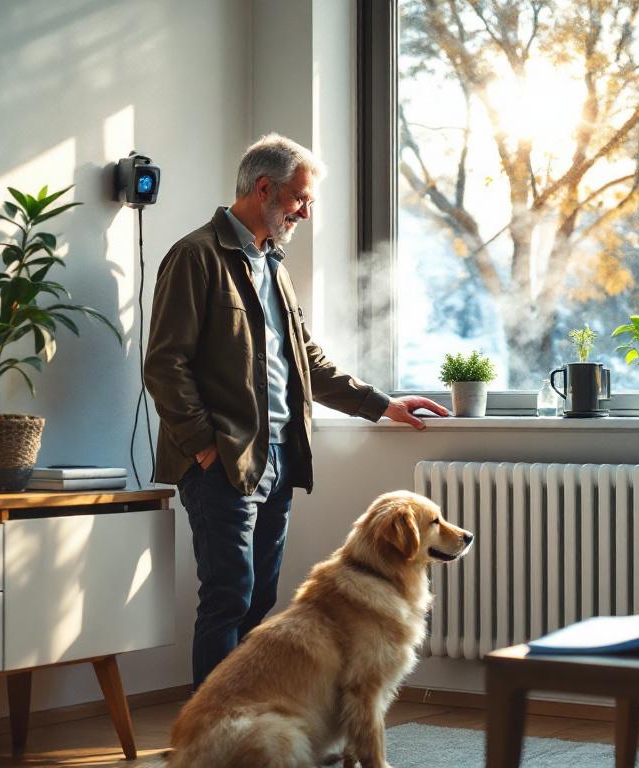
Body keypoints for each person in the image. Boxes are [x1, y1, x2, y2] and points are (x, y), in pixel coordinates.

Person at [144, 133, 448, 688]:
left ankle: (248, 716)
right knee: (227, 596)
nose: (306, 213)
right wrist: (205, 445)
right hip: (224, 460)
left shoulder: (273, 265)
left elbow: (307, 361)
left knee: (260, 597)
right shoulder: (196, 257)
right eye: (300, 200)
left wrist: (381, 404)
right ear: (265, 189)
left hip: (280, 457)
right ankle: (212, 735)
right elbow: (165, 365)